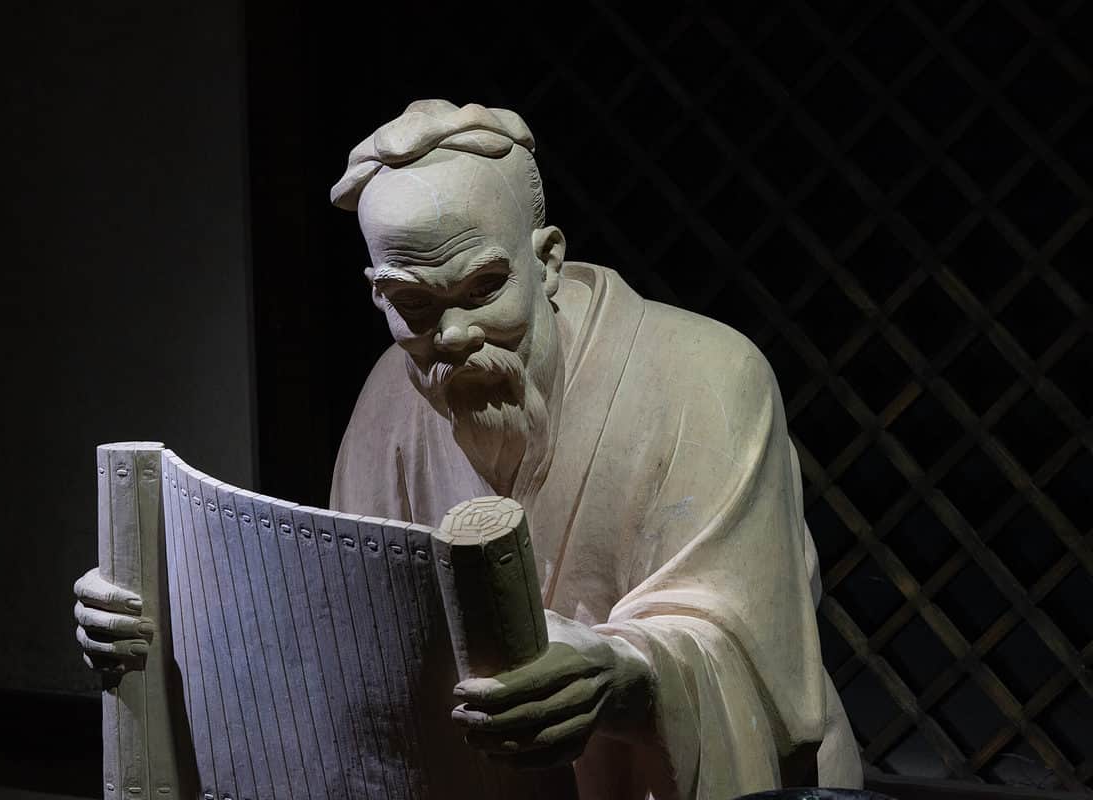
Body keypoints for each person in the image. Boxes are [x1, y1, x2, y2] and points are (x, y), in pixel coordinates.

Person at [75, 99, 863, 800]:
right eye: (413, 305)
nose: (451, 337)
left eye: (483, 289)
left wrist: (624, 677)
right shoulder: (389, 398)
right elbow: (340, 632)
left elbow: (750, 642)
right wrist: (163, 625)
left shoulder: (708, 377)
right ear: (377, 291)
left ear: (547, 257)